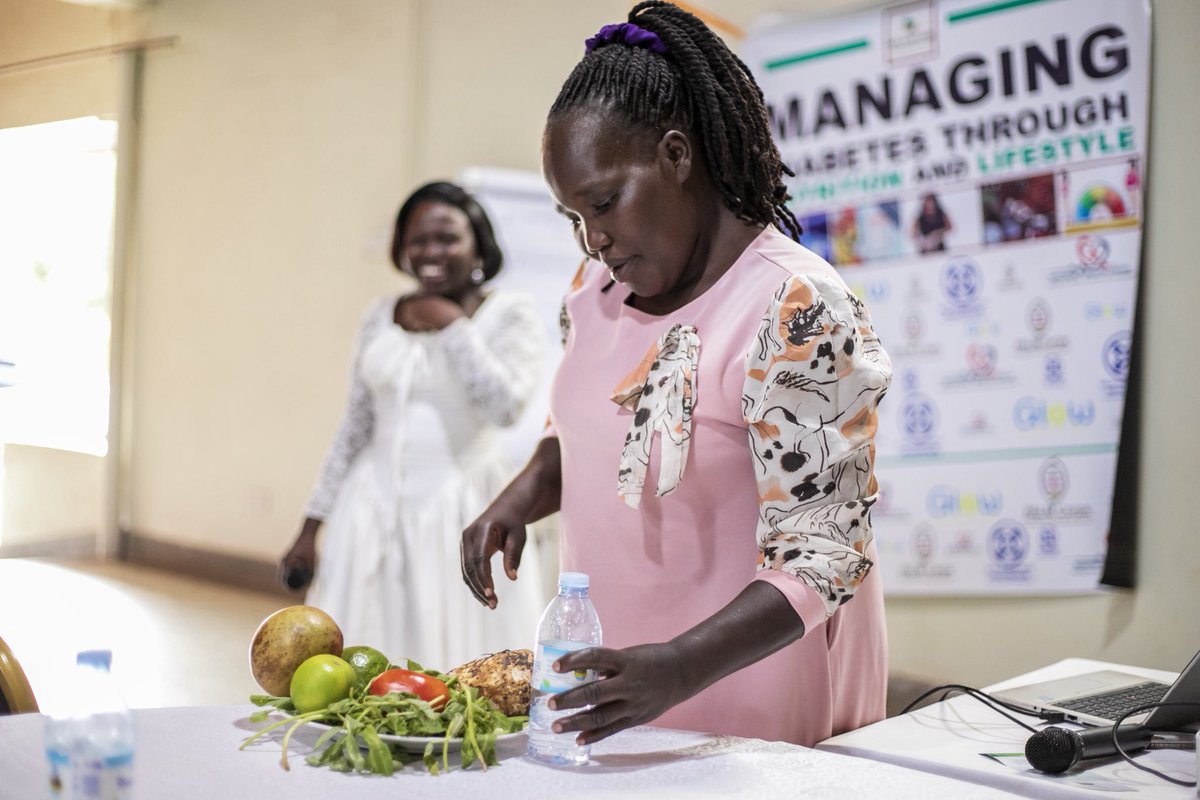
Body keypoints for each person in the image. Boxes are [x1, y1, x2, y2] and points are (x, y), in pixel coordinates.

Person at [461, 1, 892, 748]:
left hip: (749, 675)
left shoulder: (795, 306)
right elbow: (584, 430)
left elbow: (826, 550)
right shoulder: (592, 292)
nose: (594, 240)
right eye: (573, 218)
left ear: (676, 154)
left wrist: (679, 666)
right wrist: (521, 494)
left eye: (602, 203)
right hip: (620, 670)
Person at [282, 181, 546, 670]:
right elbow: (355, 425)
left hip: (459, 510)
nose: (431, 252)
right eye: (417, 239)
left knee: (453, 666)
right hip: (371, 511)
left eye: (447, 238)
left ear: (478, 246)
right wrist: (310, 527)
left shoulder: (511, 313)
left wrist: (452, 327)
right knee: (362, 662)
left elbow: (505, 408)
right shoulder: (380, 316)